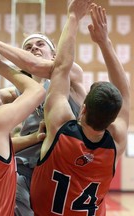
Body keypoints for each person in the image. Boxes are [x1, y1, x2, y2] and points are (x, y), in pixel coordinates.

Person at [0, 17, 86, 216]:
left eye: (40, 44)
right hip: (25, 169)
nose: (34, 48)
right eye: (28, 47)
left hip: (61, 170)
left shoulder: (70, 74)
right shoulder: (20, 92)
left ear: (55, 53)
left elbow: (34, 65)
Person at [30, 1, 130, 215]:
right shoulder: (116, 144)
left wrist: (73, 17)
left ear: (82, 109)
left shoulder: (60, 129)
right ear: (113, 121)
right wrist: (105, 42)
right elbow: (125, 93)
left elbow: (61, 68)